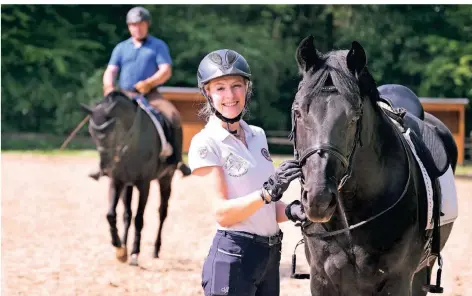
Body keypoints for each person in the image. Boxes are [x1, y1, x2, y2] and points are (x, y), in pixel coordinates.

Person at [188, 49, 306, 296]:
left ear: (247, 88)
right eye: (219, 88)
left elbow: (265, 207)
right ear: (207, 93)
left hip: (271, 256)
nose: (230, 95)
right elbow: (223, 214)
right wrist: (266, 193)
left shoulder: (258, 135)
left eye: (236, 86)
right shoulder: (205, 143)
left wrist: (294, 210)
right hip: (234, 255)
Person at [89, 6, 181, 179]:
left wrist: (149, 83)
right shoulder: (121, 48)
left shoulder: (157, 46)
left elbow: (166, 70)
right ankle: (104, 165)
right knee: (103, 117)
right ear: (129, 26)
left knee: (173, 115)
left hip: (150, 95)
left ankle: (175, 160)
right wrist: (108, 87)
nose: (137, 28)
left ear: (147, 25)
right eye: (133, 25)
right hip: (124, 96)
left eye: (140, 24)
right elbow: (110, 70)